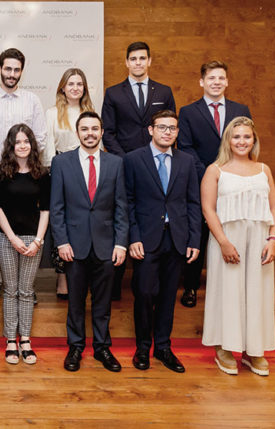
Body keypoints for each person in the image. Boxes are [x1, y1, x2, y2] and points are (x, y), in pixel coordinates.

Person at [50, 111, 128, 373]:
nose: (90, 133)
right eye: (85, 129)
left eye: (95, 129)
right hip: (74, 246)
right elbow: (57, 207)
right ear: (77, 132)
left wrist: (121, 243)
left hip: (107, 246)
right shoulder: (61, 163)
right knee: (75, 302)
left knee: (103, 302)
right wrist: (61, 242)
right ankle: (75, 347)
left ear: (102, 132)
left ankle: (102, 347)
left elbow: (121, 207)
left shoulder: (115, 163)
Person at [124, 110, 201, 373]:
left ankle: (163, 348)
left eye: (172, 128)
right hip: (145, 239)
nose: (167, 132)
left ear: (177, 132)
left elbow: (193, 202)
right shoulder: (133, 159)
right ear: (151, 130)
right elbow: (127, 202)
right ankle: (143, 347)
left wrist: (194, 239)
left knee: (169, 296)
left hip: (177, 238)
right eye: (162, 127)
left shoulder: (186, 161)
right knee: (144, 293)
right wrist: (133, 237)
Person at [201, 117, 275, 376]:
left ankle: (253, 350)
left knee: (257, 292)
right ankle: (224, 346)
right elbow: (208, 209)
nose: (242, 141)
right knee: (227, 292)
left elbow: (273, 207)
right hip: (227, 239)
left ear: (254, 140)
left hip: (259, 239)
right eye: (236, 137)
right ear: (228, 140)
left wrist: (273, 239)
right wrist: (223, 242)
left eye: (247, 136)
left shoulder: (263, 169)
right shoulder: (215, 170)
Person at [101, 41, 175, 301]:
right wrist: (127, 160)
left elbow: (169, 128)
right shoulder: (113, 93)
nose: (138, 63)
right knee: (123, 215)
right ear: (126, 62)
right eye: (133, 59)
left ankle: (152, 281)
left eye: (142, 58)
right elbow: (108, 133)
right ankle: (115, 285)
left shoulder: (164, 91)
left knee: (152, 214)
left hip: (157, 169)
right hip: (124, 166)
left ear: (149, 61)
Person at [0, 48, 46, 304]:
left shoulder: (32, 100)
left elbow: (40, 137)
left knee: (24, 224)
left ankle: (26, 284)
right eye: (8, 69)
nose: (11, 74)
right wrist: (7, 157)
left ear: (21, 72)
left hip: (26, 173)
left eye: (16, 70)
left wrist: (19, 158)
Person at [178, 61, 252, 308]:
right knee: (199, 233)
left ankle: (232, 286)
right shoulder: (188, 112)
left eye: (221, 78)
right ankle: (191, 286)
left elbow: (246, 144)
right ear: (202, 82)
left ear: (227, 82)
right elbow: (185, 148)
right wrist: (211, 175)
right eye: (211, 78)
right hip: (200, 180)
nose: (216, 82)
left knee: (233, 229)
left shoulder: (241, 110)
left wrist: (229, 175)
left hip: (235, 182)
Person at [0, 124, 49, 365]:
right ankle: (10, 341)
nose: (22, 145)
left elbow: (46, 210)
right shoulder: (1, 172)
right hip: (6, 238)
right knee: (10, 289)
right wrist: (12, 238)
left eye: (26, 141)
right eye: (17, 142)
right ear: (11, 146)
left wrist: (38, 240)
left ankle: (25, 339)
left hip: (33, 239)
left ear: (32, 144)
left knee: (26, 291)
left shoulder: (42, 173)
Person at [44, 67, 97, 300]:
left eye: (79, 84)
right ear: (63, 88)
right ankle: (62, 276)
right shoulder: (52, 113)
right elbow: (48, 146)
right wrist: (53, 172)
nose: (75, 88)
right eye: (71, 84)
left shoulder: (91, 112)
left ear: (84, 88)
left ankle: (85, 273)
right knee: (61, 221)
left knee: (85, 220)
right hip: (62, 171)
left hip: (88, 173)